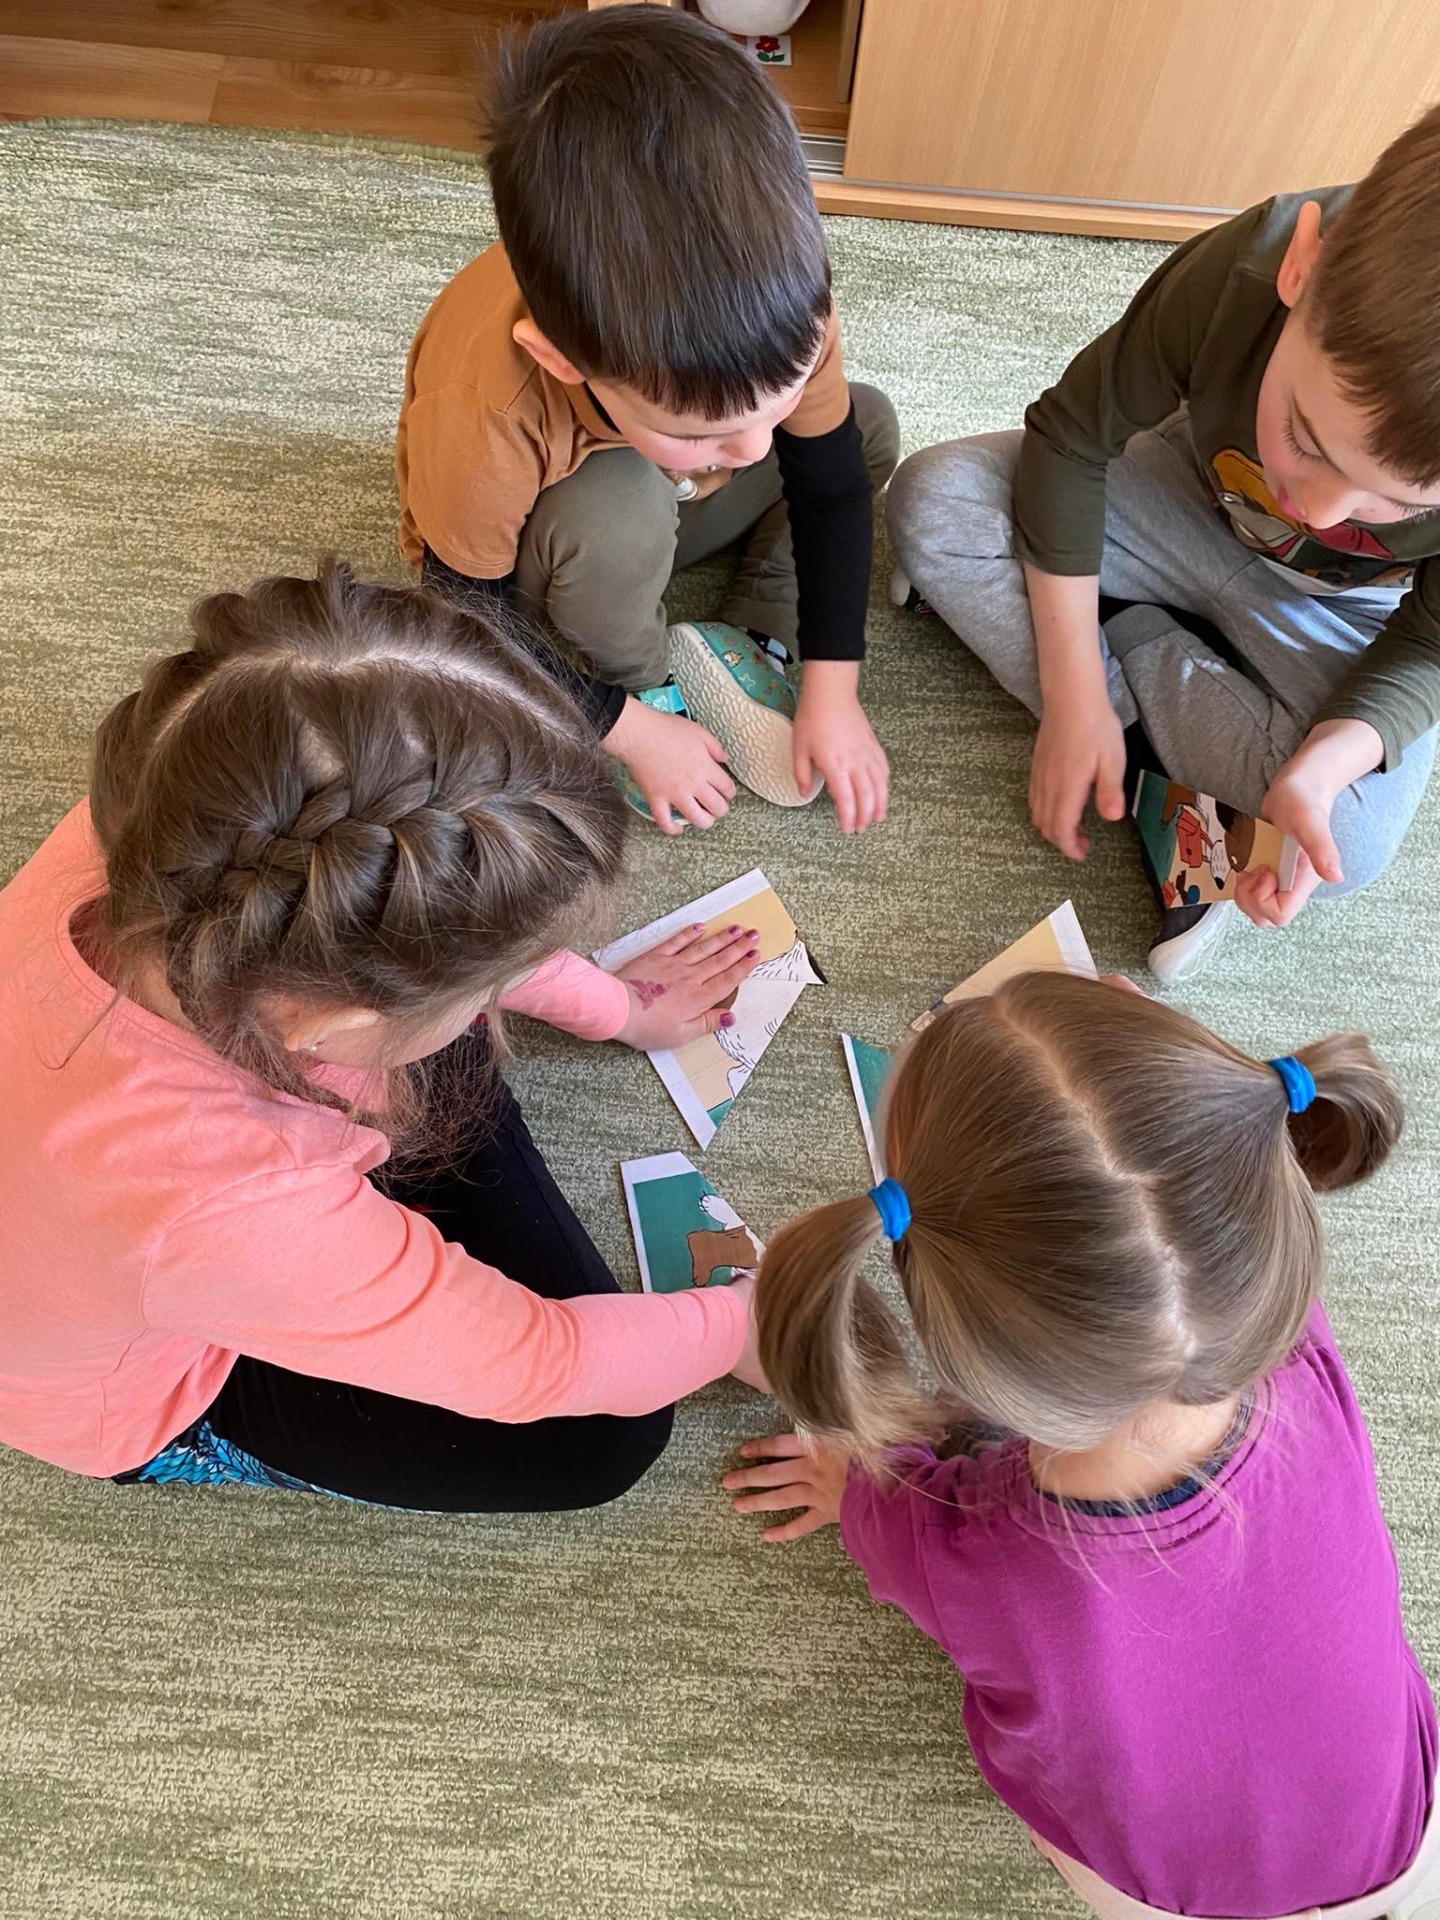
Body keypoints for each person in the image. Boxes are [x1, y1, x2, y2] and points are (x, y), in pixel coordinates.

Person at [0, 564, 769, 1513]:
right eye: (494, 981)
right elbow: (541, 1363)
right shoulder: (229, 1201)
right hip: (144, 1372)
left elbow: (416, 907)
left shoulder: (182, 809)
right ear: (337, 1023)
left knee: (437, 1019)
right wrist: (738, 1326)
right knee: (601, 1442)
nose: (503, 994)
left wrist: (619, 1009)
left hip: (141, 1194)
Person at [725, 971, 1439, 1917]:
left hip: (1180, 1901)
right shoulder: (1296, 1344)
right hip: (1408, 1828)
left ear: (969, 1351)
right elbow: (1190, 1235)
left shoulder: (959, 1545)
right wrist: (1139, 1101)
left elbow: (873, 1497)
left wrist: (845, 1475)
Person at [887, 105, 1440, 980]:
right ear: (1301, 266)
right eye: (1305, 438)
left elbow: (1429, 647)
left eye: (1396, 502)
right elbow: (1073, 437)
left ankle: (1120, 638)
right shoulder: (1245, 267)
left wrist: (1323, 767)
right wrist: (1075, 695)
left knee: (1349, 836)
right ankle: (1156, 752)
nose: (1319, 510)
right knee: (933, 499)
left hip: (1347, 609)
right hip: (1180, 490)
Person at [397, 3, 901, 837]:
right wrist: (627, 728)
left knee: (864, 427)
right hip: (542, 558)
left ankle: (756, 638)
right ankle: (641, 679)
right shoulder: (491, 411)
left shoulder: (789, 308)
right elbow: (459, 624)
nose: (752, 448)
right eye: (700, 431)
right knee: (617, 506)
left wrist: (833, 684)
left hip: (660, 498)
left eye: (776, 400)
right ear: (563, 361)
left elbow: (832, 487)